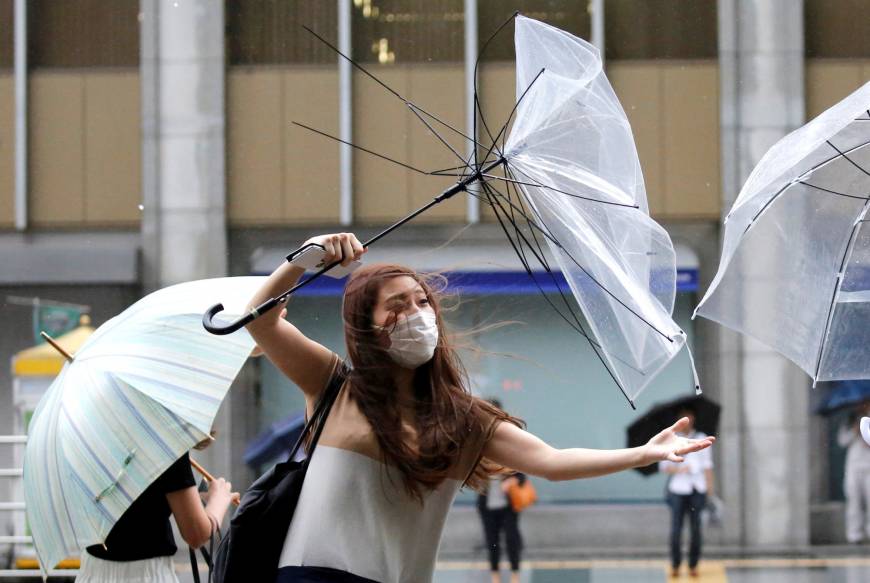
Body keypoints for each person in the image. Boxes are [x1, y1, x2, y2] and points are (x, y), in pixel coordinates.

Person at [246, 232, 715, 583]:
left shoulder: (464, 418)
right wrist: (305, 258)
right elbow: (259, 319)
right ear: (364, 325)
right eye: (397, 305)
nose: (416, 312)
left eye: (422, 301)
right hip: (311, 576)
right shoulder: (334, 385)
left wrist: (643, 454)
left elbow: (552, 462)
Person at [76, 436, 238, 583]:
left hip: (91, 572)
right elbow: (195, 533)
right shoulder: (162, 439)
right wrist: (218, 501)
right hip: (146, 575)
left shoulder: (85, 430)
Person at [659, 406, 714, 579]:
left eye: (689, 416)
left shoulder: (701, 437)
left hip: (697, 488)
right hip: (678, 489)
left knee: (696, 528)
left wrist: (709, 490)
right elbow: (663, 466)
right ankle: (675, 563)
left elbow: (707, 466)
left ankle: (693, 564)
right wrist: (679, 470)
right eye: (683, 417)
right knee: (676, 528)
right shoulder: (673, 440)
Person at [477, 399, 524, 583]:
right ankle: (495, 577)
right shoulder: (478, 442)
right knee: (492, 541)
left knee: (512, 540)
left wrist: (511, 480)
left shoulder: (509, 440)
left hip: (508, 503)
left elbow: (522, 474)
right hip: (487, 504)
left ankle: (515, 576)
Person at [838, 401, 870, 543]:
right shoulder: (850, 420)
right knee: (854, 500)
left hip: (868, 465)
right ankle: (854, 534)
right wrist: (854, 431)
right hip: (853, 466)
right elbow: (842, 441)